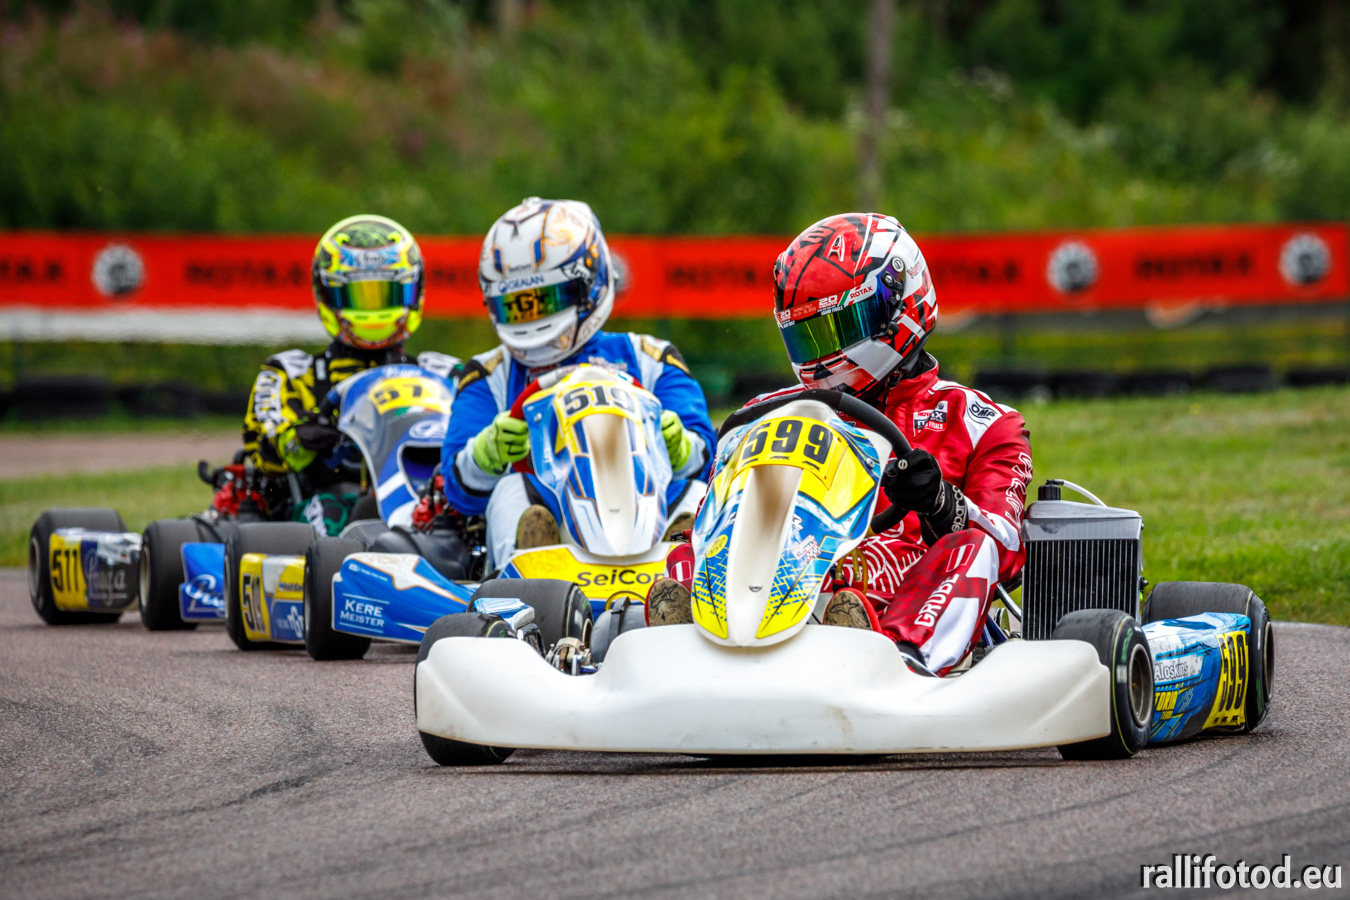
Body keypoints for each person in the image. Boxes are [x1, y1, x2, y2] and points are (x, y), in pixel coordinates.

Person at [648, 212, 1033, 677]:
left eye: (838, 329)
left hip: (904, 586)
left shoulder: (981, 422)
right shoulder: (767, 413)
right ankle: (684, 645)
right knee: (689, 549)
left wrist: (940, 503)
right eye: (808, 336)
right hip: (786, 571)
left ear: (897, 303)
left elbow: (1006, 547)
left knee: (972, 548)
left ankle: (897, 659)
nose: (822, 354)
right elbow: (719, 513)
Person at [441, 197, 716, 571]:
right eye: (518, 305)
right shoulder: (489, 375)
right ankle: (532, 580)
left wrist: (682, 448)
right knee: (510, 490)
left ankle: (683, 575)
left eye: (546, 300)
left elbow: (708, 459)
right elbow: (457, 491)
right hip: (554, 524)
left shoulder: (650, 357)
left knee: (697, 493)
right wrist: (486, 453)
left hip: (645, 512)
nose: (533, 317)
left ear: (588, 285)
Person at [243, 214, 459, 534]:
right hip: (327, 501)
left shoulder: (443, 373)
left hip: (427, 499)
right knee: (339, 510)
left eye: (386, 294)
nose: (373, 310)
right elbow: (264, 454)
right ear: (328, 295)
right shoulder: (293, 373)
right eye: (359, 296)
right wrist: (302, 437)